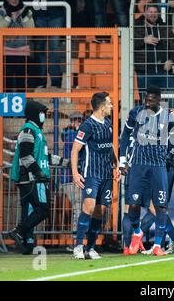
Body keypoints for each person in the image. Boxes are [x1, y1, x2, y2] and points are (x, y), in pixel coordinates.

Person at [119, 85, 174, 256]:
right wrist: (123, 161)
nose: (147, 103)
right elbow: (125, 136)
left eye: (151, 100)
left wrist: (168, 157)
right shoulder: (135, 113)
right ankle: (137, 232)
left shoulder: (168, 118)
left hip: (158, 166)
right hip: (138, 165)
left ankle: (157, 246)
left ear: (159, 100)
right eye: (146, 99)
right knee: (133, 206)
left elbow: (173, 141)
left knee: (161, 207)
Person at [9, 100, 67, 254]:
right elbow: (25, 155)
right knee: (43, 209)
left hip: (30, 178)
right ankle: (19, 231)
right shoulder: (28, 131)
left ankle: (26, 244)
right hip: (32, 179)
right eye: (41, 113)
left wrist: (65, 163)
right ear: (34, 114)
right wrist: (38, 172)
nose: (43, 116)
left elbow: (44, 157)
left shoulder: (35, 131)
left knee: (29, 210)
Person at [71, 92, 120, 260]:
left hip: (107, 174)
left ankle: (90, 248)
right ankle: (78, 246)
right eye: (109, 103)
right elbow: (75, 149)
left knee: (101, 211)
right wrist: (75, 173)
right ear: (101, 106)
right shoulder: (88, 125)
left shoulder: (107, 123)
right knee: (89, 208)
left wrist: (117, 165)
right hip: (91, 173)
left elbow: (110, 147)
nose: (112, 106)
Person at [0, 0, 35, 91]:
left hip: (22, 50)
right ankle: (5, 106)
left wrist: (24, 18)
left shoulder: (27, 11)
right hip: (5, 50)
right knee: (6, 82)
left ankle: (21, 106)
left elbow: (31, 30)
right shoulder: (1, 11)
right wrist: (8, 17)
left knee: (21, 82)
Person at [134, 4, 174, 94]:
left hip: (163, 71)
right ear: (145, 13)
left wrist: (171, 61)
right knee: (144, 99)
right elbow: (130, 45)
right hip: (144, 72)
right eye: (150, 12)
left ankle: (171, 109)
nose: (153, 14)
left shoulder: (164, 27)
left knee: (172, 95)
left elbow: (173, 47)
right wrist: (143, 40)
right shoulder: (136, 26)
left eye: (155, 12)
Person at [60, 111, 84, 246]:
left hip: (77, 178)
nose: (78, 122)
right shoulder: (70, 135)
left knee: (80, 209)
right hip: (70, 179)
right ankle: (76, 241)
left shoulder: (74, 134)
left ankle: (78, 240)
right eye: (75, 120)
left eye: (79, 120)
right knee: (78, 209)